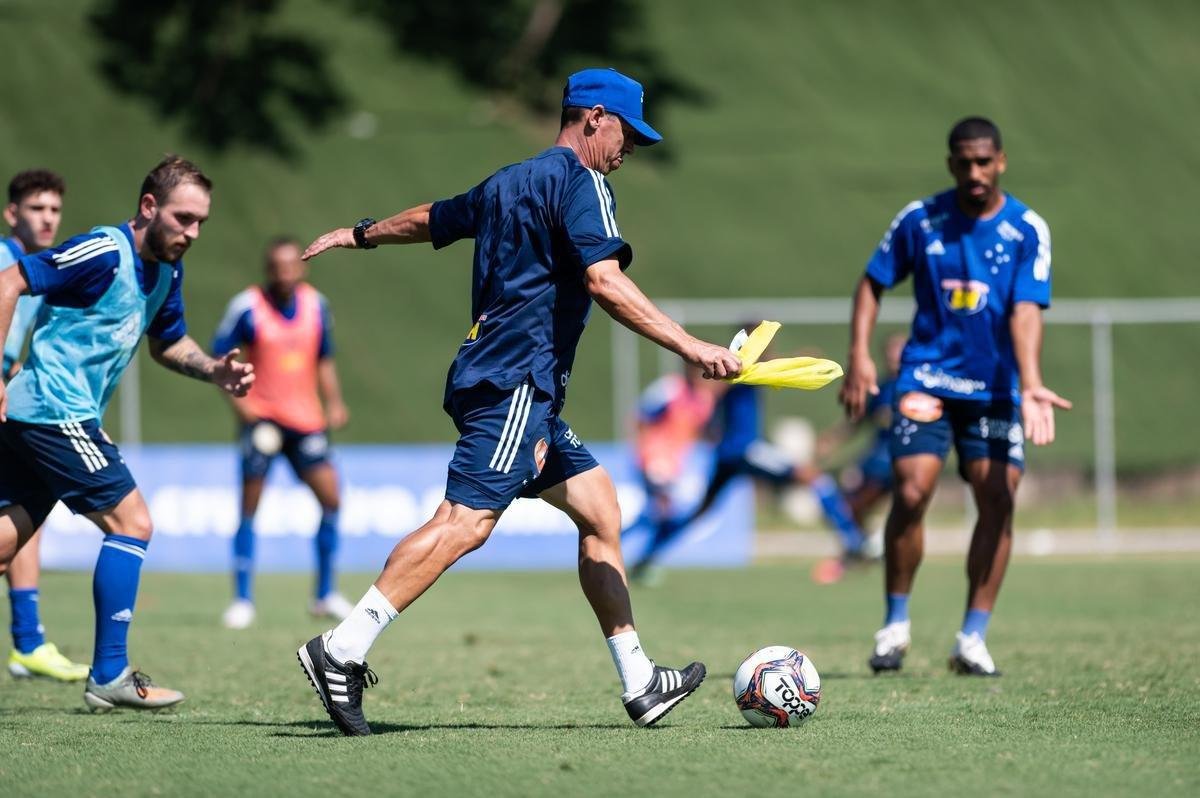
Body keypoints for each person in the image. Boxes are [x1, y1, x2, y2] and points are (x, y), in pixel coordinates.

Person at [295, 67, 742, 736]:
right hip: (515, 380)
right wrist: (690, 347)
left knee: (599, 508)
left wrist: (360, 233)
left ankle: (640, 680)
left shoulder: (509, 181)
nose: (628, 150)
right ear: (594, 117)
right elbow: (604, 280)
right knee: (467, 522)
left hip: (511, 381)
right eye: (627, 133)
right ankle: (341, 648)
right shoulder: (583, 183)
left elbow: (433, 218)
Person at [0, 156, 255, 710]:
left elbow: (168, 344)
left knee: (5, 540)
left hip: (48, 416)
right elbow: (10, 281)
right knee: (132, 522)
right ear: (148, 208)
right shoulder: (101, 250)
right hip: (51, 410)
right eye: (183, 218)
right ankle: (110, 674)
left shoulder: (167, 271)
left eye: (200, 223)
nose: (192, 233)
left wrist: (214, 370)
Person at [839, 117, 1070, 677]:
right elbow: (873, 281)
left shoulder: (1026, 230)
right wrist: (861, 355)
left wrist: (1032, 381)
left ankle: (973, 638)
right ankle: (894, 626)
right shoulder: (921, 219)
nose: (974, 172)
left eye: (984, 161)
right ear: (950, 164)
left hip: (993, 390)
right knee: (913, 491)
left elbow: (1024, 311)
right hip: (927, 379)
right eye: (964, 162)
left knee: (999, 497)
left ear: (1001, 162)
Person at [212, 237, 353, 630]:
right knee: (249, 506)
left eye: (292, 265)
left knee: (331, 499)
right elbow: (220, 362)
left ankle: (324, 594)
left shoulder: (316, 305)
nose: (285, 272)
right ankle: (242, 599)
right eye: (278, 266)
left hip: (305, 420)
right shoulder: (247, 306)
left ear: (302, 267)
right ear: (268, 269)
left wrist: (334, 402)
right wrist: (247, 412)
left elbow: (324, 358)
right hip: (263, 420)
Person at [2, 168, 90, 681]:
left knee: (25, 509)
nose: (48, 218)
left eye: (55, 209)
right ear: (13, 214)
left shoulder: (40, 269)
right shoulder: (3, 261)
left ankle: (29, 642)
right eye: (37, 208)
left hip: (10, 404)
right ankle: (28, 642)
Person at [623, 364, 716, 584]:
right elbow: (640, 417)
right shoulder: (669, 388)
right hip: (653, 460)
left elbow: (699, 430)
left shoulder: (705, 398)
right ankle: (641, 559)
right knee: (664, 509)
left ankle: (621, 546)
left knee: (657, 515)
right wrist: (643, 452)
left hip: (675, 465)